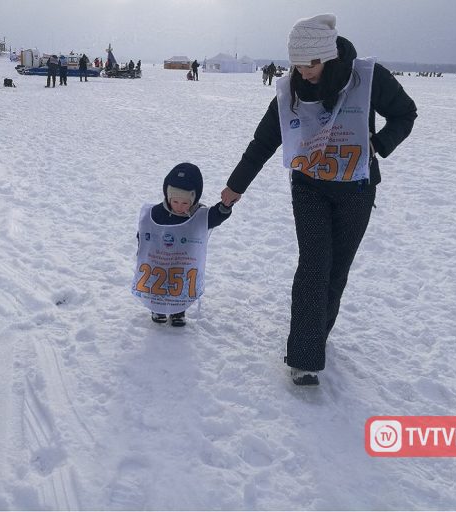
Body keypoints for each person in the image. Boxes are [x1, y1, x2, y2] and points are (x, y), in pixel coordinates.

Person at [220, 14, 417, 386]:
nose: (302, 72)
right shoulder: (291, 90)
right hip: (309, 186)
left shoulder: (369, 78)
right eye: (295, 65)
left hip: (356, 189)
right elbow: (263, 142)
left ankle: (316, 333)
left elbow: (406, 114)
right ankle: (305, 357)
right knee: (314, 264)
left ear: (327, 57)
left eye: (309, 64)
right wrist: (235, 186)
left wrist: (378, 144)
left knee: (336, 269)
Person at [133, 163, 232, 327]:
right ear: (167, 196)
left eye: (185, 203)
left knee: (179, 285)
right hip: (159, 258)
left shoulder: (197, 215)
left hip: (183, 261)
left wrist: (224, 207)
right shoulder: (157, 212)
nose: (179, 206)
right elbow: (146, 230)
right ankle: (157, 308)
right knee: (159, 283)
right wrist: (142, 249)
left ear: (193, 200)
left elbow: (213, 217)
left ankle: (178, 311)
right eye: (175, 201)